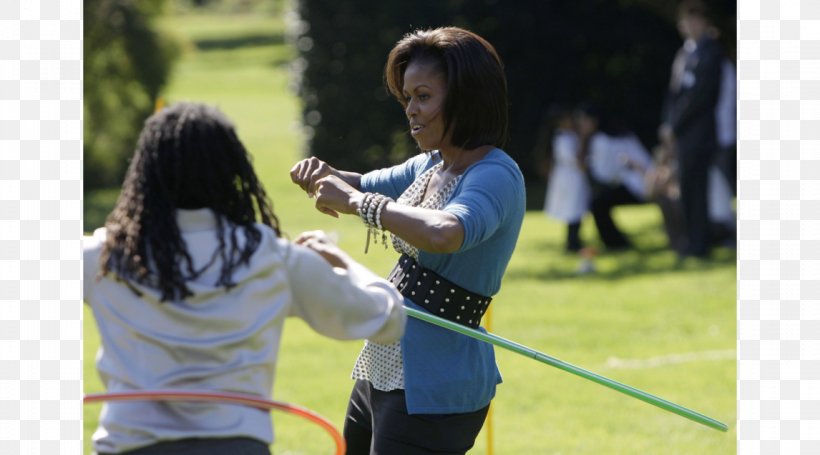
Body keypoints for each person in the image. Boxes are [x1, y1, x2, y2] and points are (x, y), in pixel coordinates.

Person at [83, 102, 407, 455]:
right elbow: (388, 320)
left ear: (144, 173)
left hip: (131, 445)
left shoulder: (105, 255)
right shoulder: (271, 258)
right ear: (231, 173)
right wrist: (340, 261)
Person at [290, 26, 525, 454]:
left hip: (435, 385)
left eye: (423, 96)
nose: (411, 111)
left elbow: (445, 232)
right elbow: (358, 182)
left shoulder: (495, 174)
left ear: (464, 97)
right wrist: (320, 173)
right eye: (407, 98)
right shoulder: (432, 165)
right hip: (382, 368)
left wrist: (362, 205)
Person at [659, 0, 723, 259]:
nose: (691, 24)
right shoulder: (684, 54)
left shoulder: (711, 52)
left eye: (696, 19)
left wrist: (675, 126)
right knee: (685, 187)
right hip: (682, 134)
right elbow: (674, 94)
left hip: (699, 132)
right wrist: (667, 125)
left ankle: (700, 242)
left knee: (698, 189)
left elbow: (700, 96)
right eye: (687, 19)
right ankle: (689, 241)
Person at [578, 104, 653, 251]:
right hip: (648, 181)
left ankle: (616, 244)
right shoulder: (624, 135)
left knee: (597, 204)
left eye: (583, 121)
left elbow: (604, 175)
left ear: (594, 122)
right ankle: (617, 242)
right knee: (600, 202)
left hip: (639, 185)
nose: (581, 125)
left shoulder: (601, 140)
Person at [543, 106, 589, 252]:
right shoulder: (563, 139)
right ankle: (573, 243)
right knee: (573, 210)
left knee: (577, 210)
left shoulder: (569, 136)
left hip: (572, 178)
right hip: (570, 180)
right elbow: (575, 161)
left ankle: (575, 240)